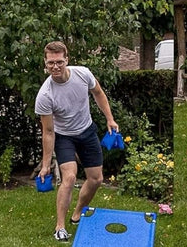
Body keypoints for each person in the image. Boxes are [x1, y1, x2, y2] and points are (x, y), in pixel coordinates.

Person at [35, 41, 119, 242]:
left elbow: (98, 93)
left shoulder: (83, 74)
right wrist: (46, 165)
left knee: (96, 179)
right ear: (45, 63)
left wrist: (110, 118)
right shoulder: (45, 94)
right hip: (64, 137)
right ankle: (60, 227)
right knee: (70, 177)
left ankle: (78, 213)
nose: (55, 67)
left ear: (67, 60)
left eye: (59, 62)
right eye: (50, 63)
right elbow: (48, 131)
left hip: (87, 131)